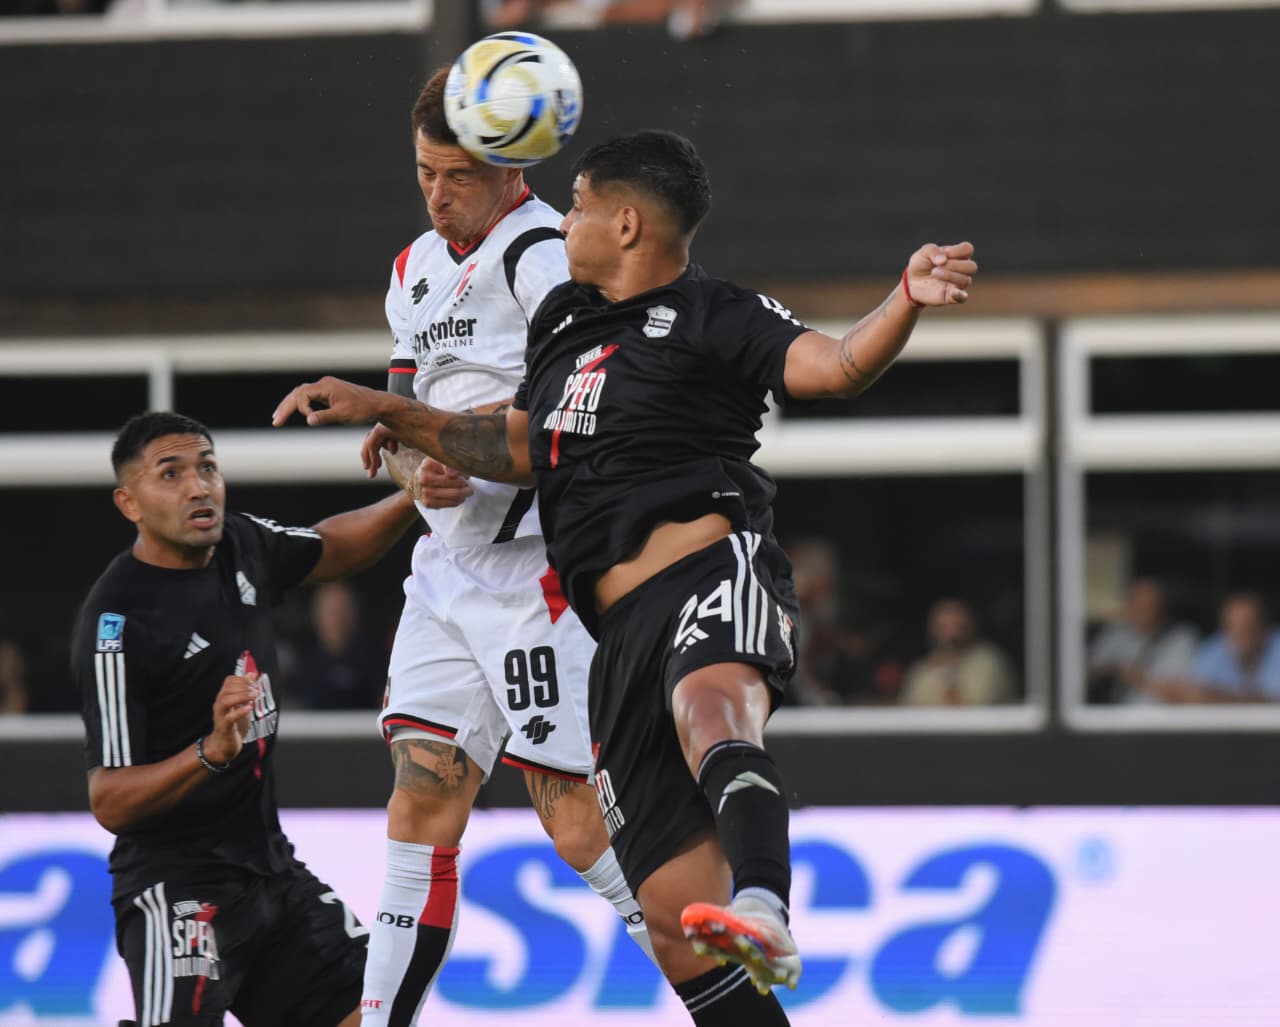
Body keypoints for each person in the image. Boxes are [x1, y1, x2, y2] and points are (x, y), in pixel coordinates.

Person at [273, 129, 976, 1024]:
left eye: (577, 207)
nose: (564, 222)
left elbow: (833, 366)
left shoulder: (714, 312)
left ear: (628, 224)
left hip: (709, 571)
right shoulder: (565, 320)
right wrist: (391, 412)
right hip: (616, 633)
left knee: (711, 706)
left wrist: (904, 300)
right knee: (674, 919)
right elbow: (519, 444)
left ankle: (765, 900)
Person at [345, 69, 653, 1027]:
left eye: (458, 175)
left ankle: (727, 984)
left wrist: (443, 441)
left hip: (538, 575)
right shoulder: (411, 268)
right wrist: (415, 471)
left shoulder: (543, 254)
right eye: (424, 172)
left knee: (576, 821)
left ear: (512, 168)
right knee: (418, 804)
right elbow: (403, 426)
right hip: (445, 573)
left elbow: (577, 414)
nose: (437, 194)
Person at [71, 411, 420, 1027]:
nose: (198, 486)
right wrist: (209, 752)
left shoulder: (240, 542)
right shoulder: (117, 624)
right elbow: (110, 799)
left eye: (207, 467)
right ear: (130, 503)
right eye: (171, 474)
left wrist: (414, 496)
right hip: (177, 886)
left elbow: (331, 547)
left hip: (270, 871)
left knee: (376, 1011)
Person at [1086, 577, 1198, 704]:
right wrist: (1109, 669)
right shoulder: (1117, 632)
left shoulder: (1182, 638)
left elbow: (1184, 696)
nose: (1143, 609)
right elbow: (1084, 676)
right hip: (1116, 712)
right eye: (1137, 603)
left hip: (1159, 714)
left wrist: (1137, 677)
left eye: (1150, 604)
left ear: (1163, 607)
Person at [1158, 591, 1280, 702]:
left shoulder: (1276, 645)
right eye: (1233, 626)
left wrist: (1219, 696)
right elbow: (1195, 692)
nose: (1241, 633)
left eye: (1249, 625)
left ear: (1265, 625)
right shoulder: (1215, 648)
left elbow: (1275, 701)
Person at [285, 580, 387, 710]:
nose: (339, 619)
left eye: (344, 610)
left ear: (356, 614)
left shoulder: (376, 661)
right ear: (316, 616)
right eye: (332, 611)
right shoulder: (302, 664)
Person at [899, 597, 1018, 706]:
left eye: (957, 625)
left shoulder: (988, 662)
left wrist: (947, 676)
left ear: (970, 626)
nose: (950, 634)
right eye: (942, 627)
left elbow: (971, 714)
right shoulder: (922, 668)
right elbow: (907, 709)